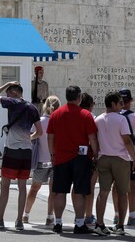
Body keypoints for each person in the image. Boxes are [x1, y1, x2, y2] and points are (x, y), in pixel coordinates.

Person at [0, 82, 42, 231]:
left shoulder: (12, 102)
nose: (6, 96)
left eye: (8, 92)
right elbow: (39, 132)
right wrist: (28, 138)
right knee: (22, 187)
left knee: (5, 186)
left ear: (15, 93)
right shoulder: (32, 108)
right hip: (26, 151)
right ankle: (19, 220)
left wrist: (7, 84)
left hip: (12, 150)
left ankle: (0, 219)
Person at [47, 85, 99, 235]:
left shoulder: (56, 114)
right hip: (81, 159)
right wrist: (96, 154)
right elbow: (92, 137)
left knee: (59, 192)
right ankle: (79, 223)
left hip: (61, 157)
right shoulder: (86, 115)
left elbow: (50, 137)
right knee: (79, 192)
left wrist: (52, 154)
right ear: (79, 97)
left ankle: (58, 222)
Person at [93, 91, 135, 236]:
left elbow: (94, 139)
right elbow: (127, 141)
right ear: (113, 104)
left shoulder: (98, 119)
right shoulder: (121, 120)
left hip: (104, 157)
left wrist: (96, 156)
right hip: (120, 159)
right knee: (123, 192)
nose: (122, 105)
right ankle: (120, 226)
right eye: (120, 102)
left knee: (103, 192)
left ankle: (99, 224)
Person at [23, 95, 61, 226]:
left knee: (34, 188)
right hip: (56, 160)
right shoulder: (59, 121)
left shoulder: (39, 121)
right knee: (53, 191)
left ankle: (26, 214)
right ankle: (50, 216)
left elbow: (31, 136)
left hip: (41, 159)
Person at [111, 88, 135, 226]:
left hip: (118, 154)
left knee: (116, 186)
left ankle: (117, 214)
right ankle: (132, 214)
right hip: (132, 155)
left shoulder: (113, 117)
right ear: (130, 101)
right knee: (132, 185)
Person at [79, 93, 99, 227]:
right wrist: (96, 154)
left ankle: (78, 215)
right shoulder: (91, 117)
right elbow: (94, 138)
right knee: (90, 187)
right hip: (89, 155)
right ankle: (88, 215)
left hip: (76, 155)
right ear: (91, 105)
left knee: (77, 187)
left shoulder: (76, 115)